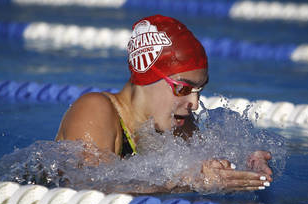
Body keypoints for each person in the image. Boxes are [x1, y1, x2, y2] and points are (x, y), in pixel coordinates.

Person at [55, 14, 273, 193]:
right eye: (183, 89)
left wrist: (247, 164)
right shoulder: (95, 109)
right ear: (147, 78)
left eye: (199, 90)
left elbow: (211, 164)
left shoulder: (177, 125)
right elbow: (88, 187)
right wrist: (185, 183)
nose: (194, 104)